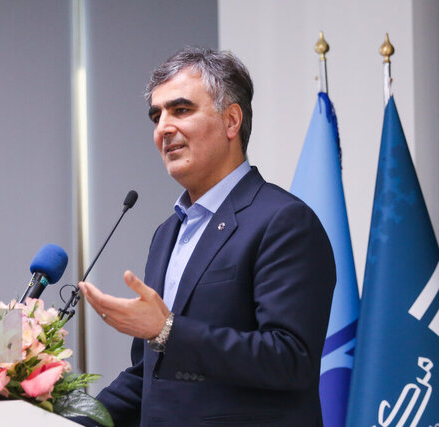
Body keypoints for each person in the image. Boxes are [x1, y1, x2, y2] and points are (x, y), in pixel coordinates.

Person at [77, 47, 336, 427]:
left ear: (231, 121)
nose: (163, 128)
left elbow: (289, 358)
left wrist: (167, 330)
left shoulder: (284, 221)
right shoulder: (167, 234)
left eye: (181, 110)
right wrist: (67, 420)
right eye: (157, 116)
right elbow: (149, 376)